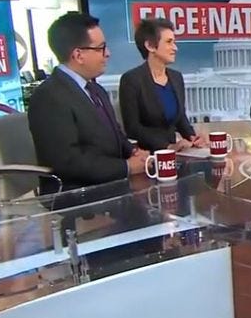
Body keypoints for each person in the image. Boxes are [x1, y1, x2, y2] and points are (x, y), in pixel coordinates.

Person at [27, 12, 148, 195]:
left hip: (112, 183)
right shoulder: (49, 96)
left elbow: (116, 136)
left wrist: (133, 153)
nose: (108, 53)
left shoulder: (96, 90)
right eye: (101, 48)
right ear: (78, 55)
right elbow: (69, 162)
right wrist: (126, 167)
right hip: (76, 194)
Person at [119, 18, 203, 152]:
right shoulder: (131, 80)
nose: (175, 48)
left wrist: (192, 137)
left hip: (176, 153)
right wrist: (167, 147)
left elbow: (180, 118)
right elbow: (133, 128)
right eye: (169, 42)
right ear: (150, 46)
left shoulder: (176, 78)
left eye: (174, 42)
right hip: (148, 155)